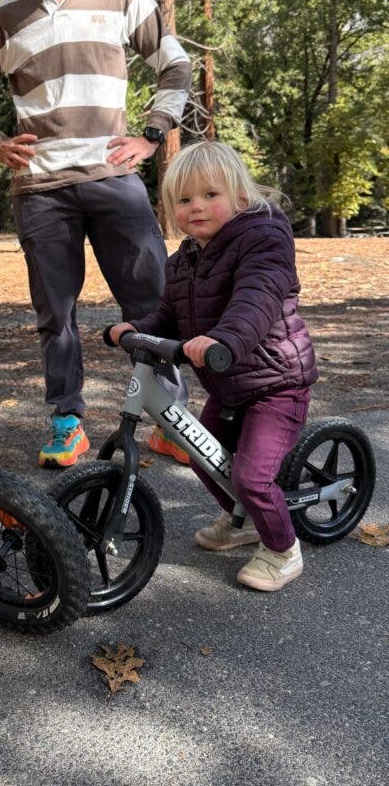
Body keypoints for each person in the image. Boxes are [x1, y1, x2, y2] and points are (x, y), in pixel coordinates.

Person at [0, 0, 191, 468]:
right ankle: (67, 420)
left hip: (115, 179)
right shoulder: (1, 19)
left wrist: (152, 135)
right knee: (55, 314)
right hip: (41, 190)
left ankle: (167, 417)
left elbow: (175, 65)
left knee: (152, 304)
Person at [109, 140, 318, 592]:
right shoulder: (185, 259)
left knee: (252, 476)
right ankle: (242, 521)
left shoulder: (265, 240)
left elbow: (256, 301)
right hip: (229, 383)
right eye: (184, 200)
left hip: (276, 382)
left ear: (240, 199)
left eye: (210, 195)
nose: (196, 207)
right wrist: (134, 328)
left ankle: (283, 549)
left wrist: (225, 339)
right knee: (202, 455)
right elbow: (166, 313)